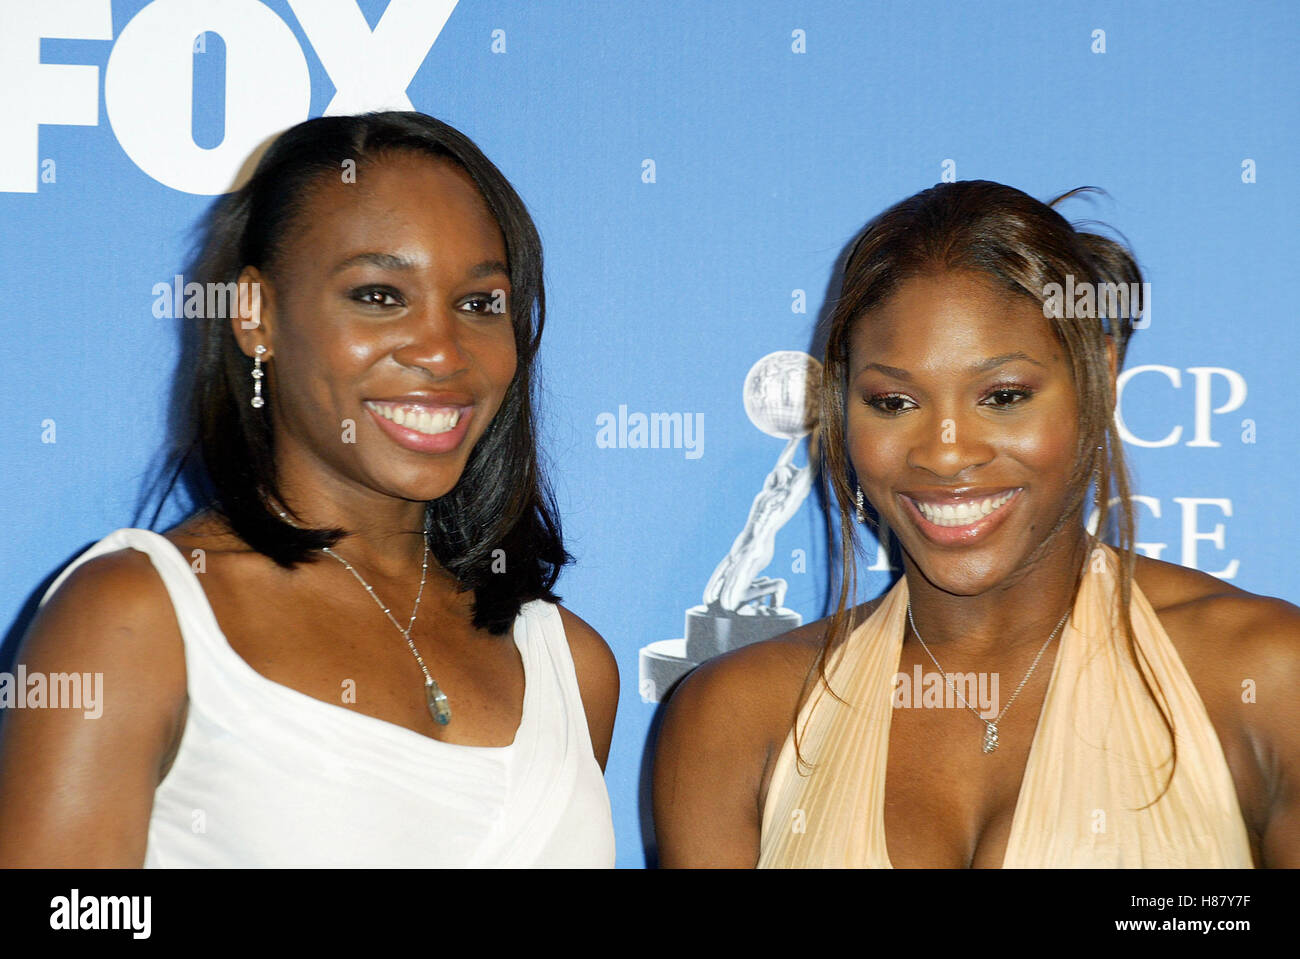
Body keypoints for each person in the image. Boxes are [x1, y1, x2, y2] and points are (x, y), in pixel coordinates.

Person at [0, 112, 619, 867]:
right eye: (379, 295)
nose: (441, 350)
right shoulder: (136, 617)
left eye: (479, 303)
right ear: (255, 313)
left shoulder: (571, 665)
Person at [653, 180, 1300, 867]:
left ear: (1100, 378)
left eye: (1004, 395)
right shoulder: (734, 717)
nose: (946, 450)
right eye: (895, 401)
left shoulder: (1261, 677)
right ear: (843, 410)